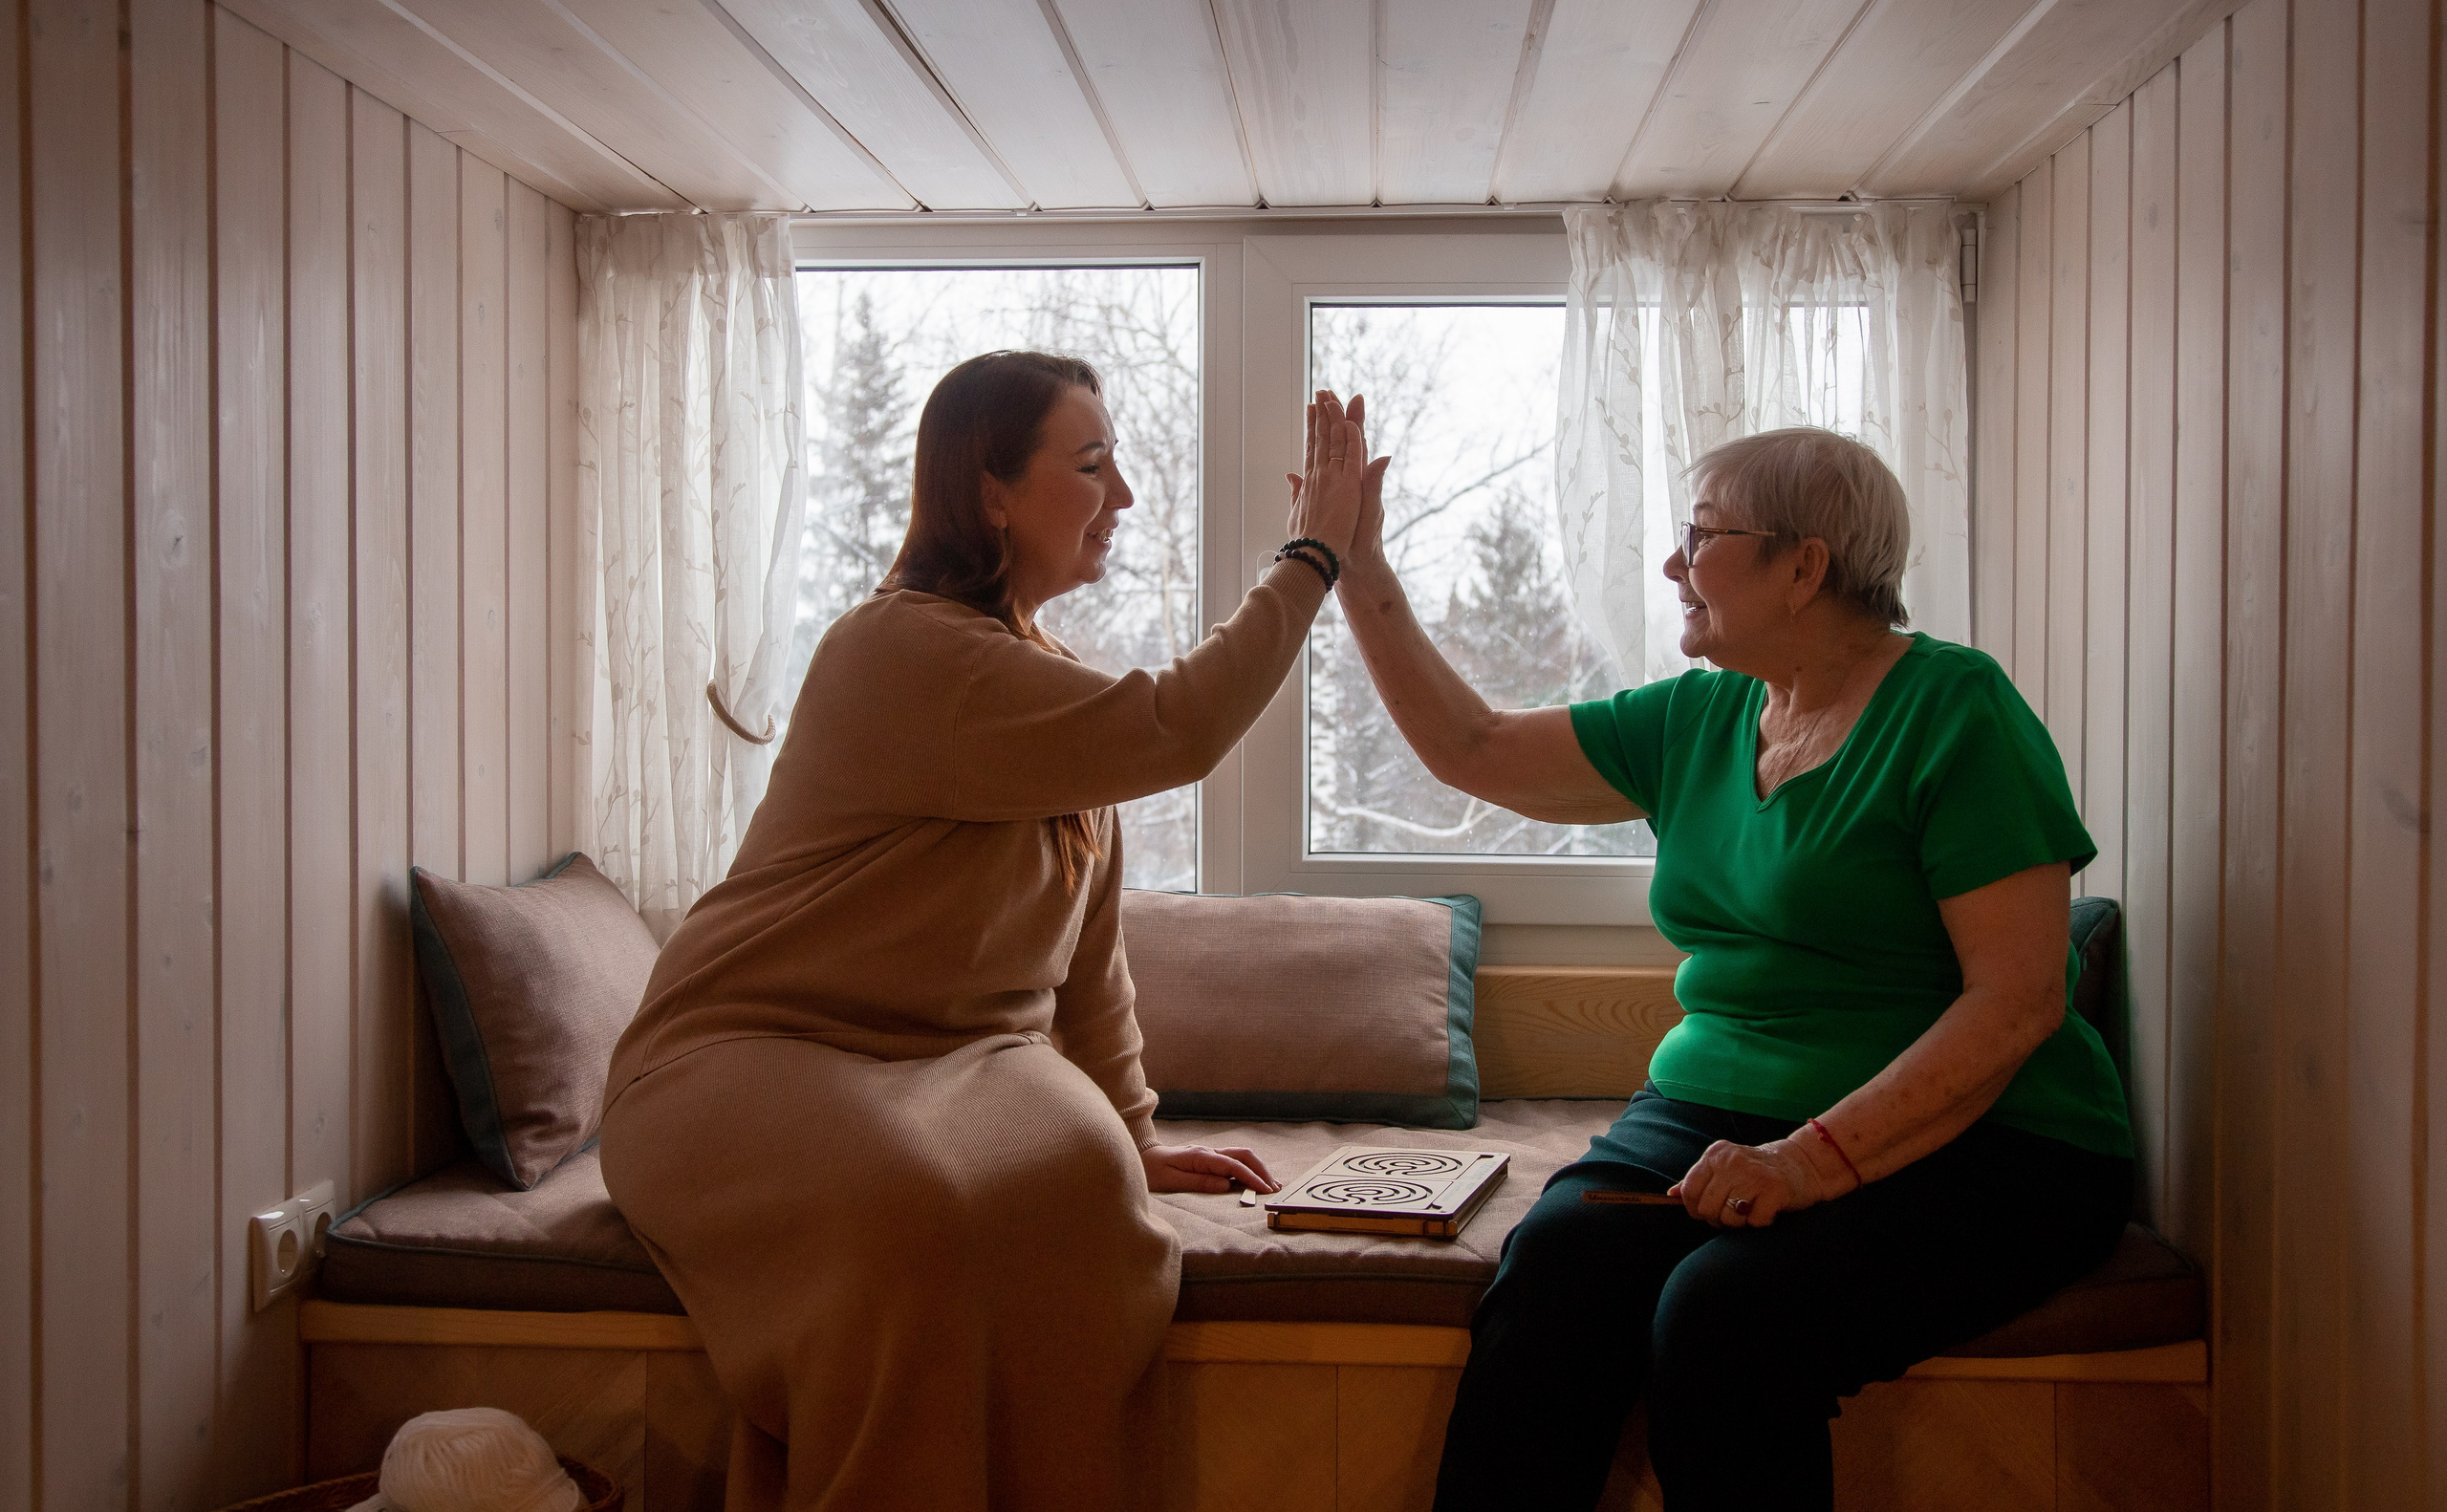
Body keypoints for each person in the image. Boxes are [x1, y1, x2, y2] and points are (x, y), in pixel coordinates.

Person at [1321, 400, 2133, 1512]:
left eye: (1701, 536)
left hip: (1992, 1139)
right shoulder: (1699, 717)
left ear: (1805, 566)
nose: (1672, 562)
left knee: (1722, 1314)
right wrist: (1357, 568)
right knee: (1555, 1267)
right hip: (1712, 1102)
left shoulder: (1956, 709)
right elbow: (1473, 747)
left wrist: (1806, 1161)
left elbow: (2020, 999)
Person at [598, 354, 1371, 1512]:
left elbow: (1087, 967)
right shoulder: (897, 650)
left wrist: (1133, 1131)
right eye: (1093, 465)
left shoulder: (1045, 690)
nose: (1121, 499)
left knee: (1082, 1183)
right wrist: (1310, 557)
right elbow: (1182, 725)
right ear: (992, 489)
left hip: (956, 1068)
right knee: (912, 1207)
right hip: (744, 1055)